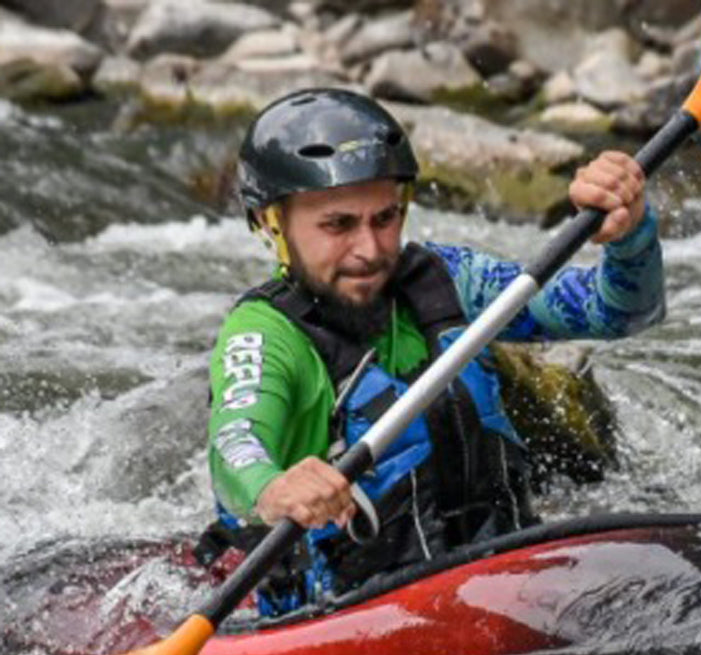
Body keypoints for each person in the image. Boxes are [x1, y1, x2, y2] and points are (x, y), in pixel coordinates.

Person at [203, 87, 665, 616]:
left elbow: (619, 312)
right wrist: (273, 487)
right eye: (337, 225)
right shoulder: (263, 335)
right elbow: (235, 444)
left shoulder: (447, 282)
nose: (370, 250)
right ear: (271, 222)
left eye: (385, 217)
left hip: (506, 595)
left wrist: (630, 238)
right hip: (346, 624)